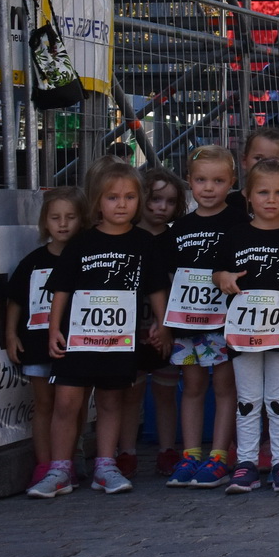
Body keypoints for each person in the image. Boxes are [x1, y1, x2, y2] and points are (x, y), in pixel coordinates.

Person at [29, 162, 169, 499]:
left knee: (111, 401)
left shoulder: (144, 243)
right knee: (66, 402)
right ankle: (60, 468)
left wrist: (162, 324)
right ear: (97, 202)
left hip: (118, 340)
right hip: (76, 338)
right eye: (112, 197)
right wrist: (52, 331)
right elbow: (60, 289)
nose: (121, 204)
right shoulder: (81, 242)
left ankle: (105, 465)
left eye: (130, 197)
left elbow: (155, 288)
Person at [214, 158, 279, 494]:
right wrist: (225, 278)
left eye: (278, 193)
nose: (270, 199)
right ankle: (245, 462)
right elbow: (217, 274)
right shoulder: (234, 236)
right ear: (247, 195)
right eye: (262, 192)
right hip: (243, 334)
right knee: (247, 399)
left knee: (278, 398)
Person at [161, 147, 244, 489]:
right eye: (200, 180)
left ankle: (219, 455)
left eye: (218, 181)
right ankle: (191, 453)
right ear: (189, 182)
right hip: (187, 322)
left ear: (232, 183)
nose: (208, 188)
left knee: (225, 387)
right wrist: (165, 320)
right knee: (192, 386)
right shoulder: (178, 228)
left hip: (225, 322)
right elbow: (168, 275)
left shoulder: (240, 224)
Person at [6, 188, 88, 493]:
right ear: (44, 222)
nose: (63, 224)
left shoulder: (85, 258)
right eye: (55, 218)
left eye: (70, 217)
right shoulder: (33, 261)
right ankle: (44, 465)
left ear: (83, 220)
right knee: (44, 404)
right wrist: (10, 334)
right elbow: (15, 300)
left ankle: (69, 459)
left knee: (73, 405)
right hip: (36, 344)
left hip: (75, 345)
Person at [125, 169, 186, 478]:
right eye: (155, 200)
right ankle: (126, 452)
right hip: (127, 329)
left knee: (165, 391)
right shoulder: (126, 237)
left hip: (166, 328)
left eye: (170, 201)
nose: (162, 207)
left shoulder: (175, 240)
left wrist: (167, 326)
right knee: (129, 392)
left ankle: (166, 450)